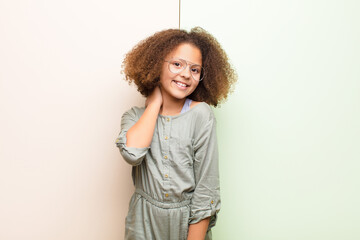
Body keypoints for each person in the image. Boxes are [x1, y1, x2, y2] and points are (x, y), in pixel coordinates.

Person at [115, 27, 237, 240]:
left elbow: (206, 190)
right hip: (142, 223)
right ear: (156, 65)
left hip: (188, 223)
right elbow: (132, 154)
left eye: (195, 69)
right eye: (177, 64)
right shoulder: (134, 117)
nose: (185, 74)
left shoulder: (201, 115)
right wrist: (154, 104)